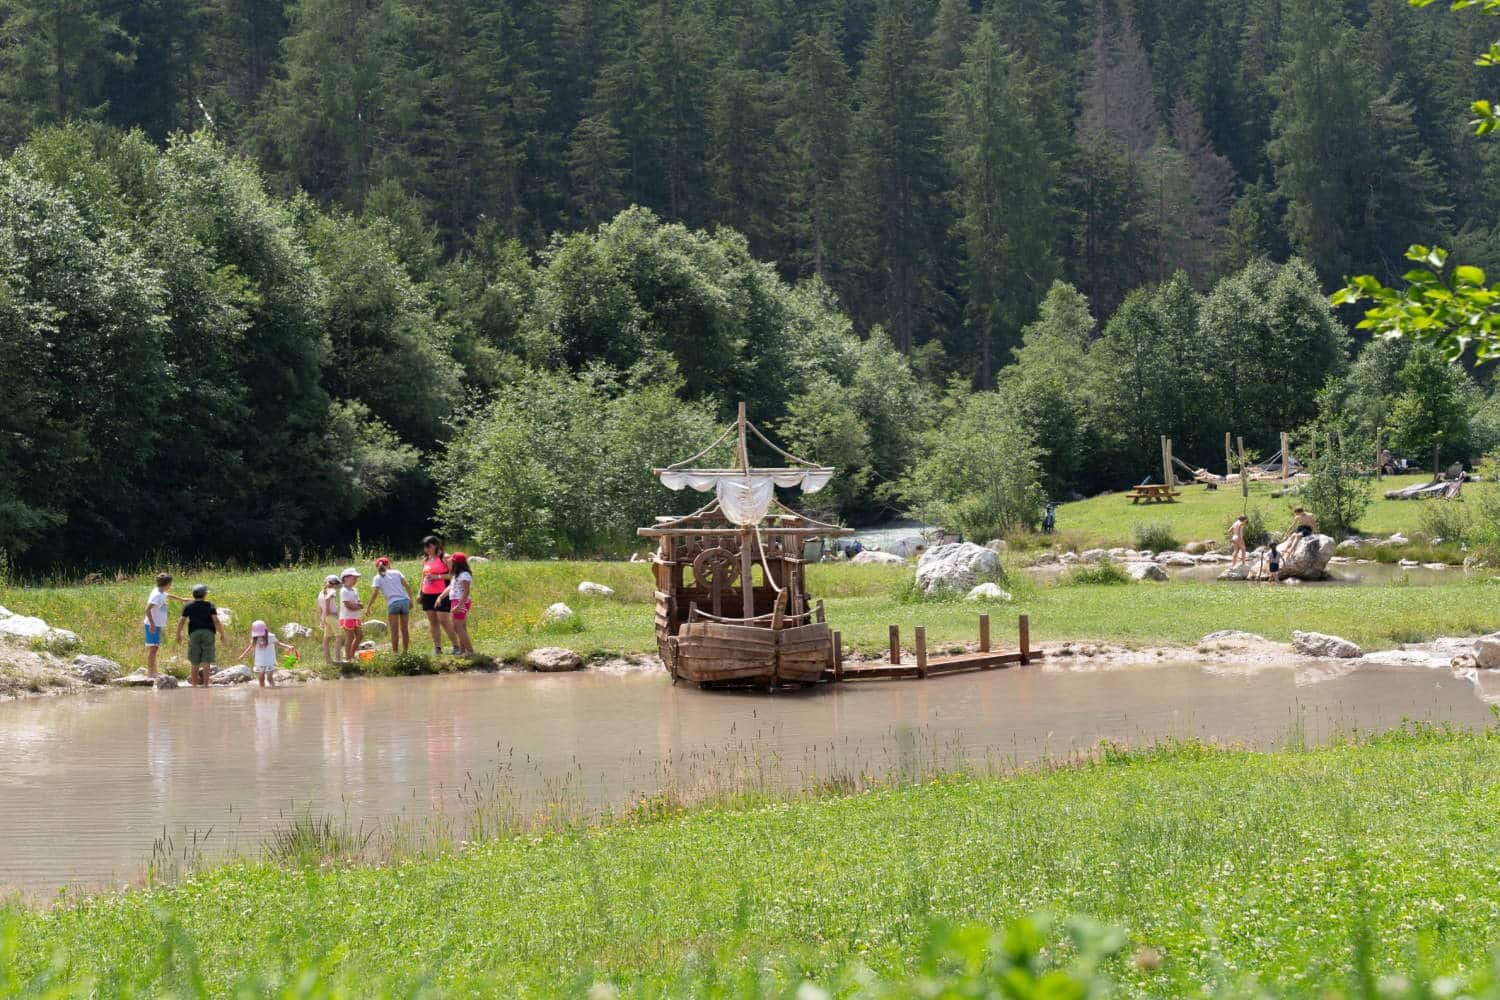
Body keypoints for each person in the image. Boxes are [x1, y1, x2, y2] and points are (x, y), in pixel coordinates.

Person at [175, 583, 225, 687]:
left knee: (194, 661)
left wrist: (178, 634)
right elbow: (216, 620)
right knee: (206, 661)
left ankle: (194, 686)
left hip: (194, 633)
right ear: (205, 594)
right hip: (208, 633)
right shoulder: (210, 605)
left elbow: (181, 621)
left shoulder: (188, 605)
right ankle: (206, 685)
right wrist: (222, 634)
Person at [419, 535, 457, 655]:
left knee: (444, 620)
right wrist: (419, 592)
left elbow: (453, 576)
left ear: (435, 545)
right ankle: (437, 648)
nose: (427, 549)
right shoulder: (425, 560)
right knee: (433, 622)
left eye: (429, 547)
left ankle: (456, 646)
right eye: (425, 547)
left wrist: (437, 577)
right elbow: (423, 577)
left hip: (442, 593)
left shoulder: (445, 558)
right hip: (427, 594)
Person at [142, 572, 184, 678]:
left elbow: (168, 595)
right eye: (170, 584)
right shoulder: (157, 595)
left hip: (156, 625)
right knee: (153, 649)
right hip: (152, 625)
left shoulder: (159, 591)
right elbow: (147, 609)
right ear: (168, 584)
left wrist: (182, 600)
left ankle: (153, 671)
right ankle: (151, 673)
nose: (171, 586)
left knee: (155, 648)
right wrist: (152, 624)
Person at [368, 557, 413, 653]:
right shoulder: (397, 572)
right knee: (405, 629)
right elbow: (407, 586)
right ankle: (405, 652)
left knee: (394, 631)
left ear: (377, 567)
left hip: (393, 603)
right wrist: (410, 600)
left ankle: (395, 654)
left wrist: (369, 606)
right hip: (404, 601)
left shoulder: (377, 577)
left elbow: (375, 593)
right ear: (389, 564)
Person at [240, 620, 296, 688]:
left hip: (270, 660)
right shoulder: (255, 638)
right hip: (260, 660)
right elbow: (250, 647)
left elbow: (278, 643)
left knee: (269, 677)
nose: (259, 635)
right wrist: (243, 655)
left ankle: (273, 689)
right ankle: (262, 691)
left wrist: (288, 646)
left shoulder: (271, 636)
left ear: (265, 630)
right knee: (261, 677)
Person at [441, 552, 475, 655]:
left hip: (461, 601)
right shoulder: (457, 574)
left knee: (457, 627)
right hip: (457, 601)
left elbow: (466, 591)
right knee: (460, 627)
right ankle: (462, 650)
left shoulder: (464, 574)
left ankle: (470, 652)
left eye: (452, 560)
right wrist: (441, 597)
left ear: (457, 563)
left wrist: (459, 605)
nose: (449, 561)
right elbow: (451, 587)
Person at [338, 568, 364, 663]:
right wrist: (358, 606)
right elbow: (348, 605)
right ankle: (348, 657)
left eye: (356, 579)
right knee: (350, 637)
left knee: (360, 635)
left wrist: (359, 604)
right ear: (345, 578)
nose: (355, 581)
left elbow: (358, 601)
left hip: (355, 617)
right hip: (347, 618)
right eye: (354, 578)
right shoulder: (344, 591)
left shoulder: (354, 590)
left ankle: (352, 654)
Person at [316, 574, 342, 664]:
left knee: (326, 639)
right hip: (331, 616)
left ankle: (328, 661)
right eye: (337, 583)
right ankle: (338, 659)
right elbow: (327, 599)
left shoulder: (320, 593)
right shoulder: (332, 590)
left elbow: (320, 608)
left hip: (326, 618)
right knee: (339, 636)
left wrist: (322, 619)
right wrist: (329, 612)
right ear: (334, 583)